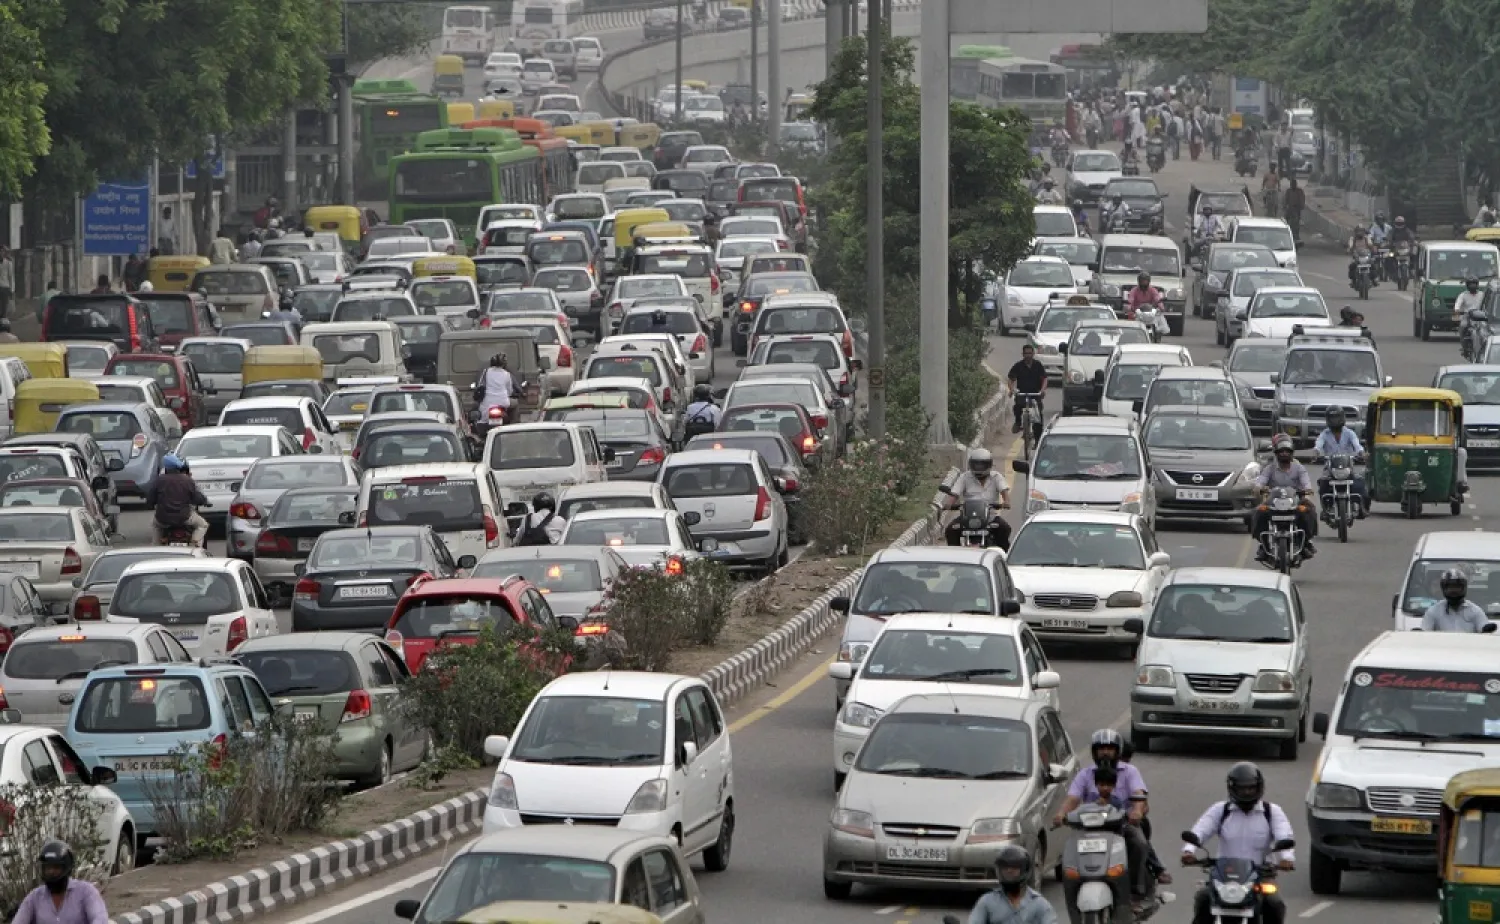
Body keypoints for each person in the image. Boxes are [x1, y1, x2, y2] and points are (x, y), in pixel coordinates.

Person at [1052, 730, 1156, 910]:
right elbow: (1072, 799)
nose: (1106, 753)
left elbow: (1139, 795)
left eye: (1110, 748)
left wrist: (1136, 812)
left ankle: (1135, 891)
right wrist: (1061, 815)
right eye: (1101, 749)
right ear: (1094, 752)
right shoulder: (1085, 774)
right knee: (1068, 853)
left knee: (1139, 843)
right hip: (1089, 828)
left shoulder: (1130, 771)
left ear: (1118, 751)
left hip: (1122, 825)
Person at [1183, 763, 1293, 924]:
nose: (1247, 792)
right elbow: (1200, 830)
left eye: (1251, 788)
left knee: (1274, 903)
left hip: (1261, 877)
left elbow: (1284, 834)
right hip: (1223, 877)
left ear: (1259, 787)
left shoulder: (1272, 812)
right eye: (1242, 788)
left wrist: (1287, 858)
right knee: (1203, 898)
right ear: (1232, 788)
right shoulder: (1221, 810)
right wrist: (1189, 851)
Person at [1249, 434, 1317, 560]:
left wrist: (1307, 491)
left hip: (1295, 501)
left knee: (1310, 510)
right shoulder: (1270, 468)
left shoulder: (1299, 468)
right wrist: (1258, 488)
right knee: (1257, 513)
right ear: (1276, 453)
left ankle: (1306, 542)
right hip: (1273, 502)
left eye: (1287, 451)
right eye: (1281, 451)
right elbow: (1261, 481)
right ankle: (1263, 545)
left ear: (1292, 453)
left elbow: (1306, 483)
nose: (1284, 454)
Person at [9, 841, 108, 924]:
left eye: (56, 867)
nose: (51, 872)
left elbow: (100, 919)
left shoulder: (86, 892)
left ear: (67, 868)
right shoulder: (34, 898)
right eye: (48, 868)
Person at [967, 844, 1058, 924]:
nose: (1009, 871)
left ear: (1024, 870)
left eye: (1014, 867)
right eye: (1005, 867)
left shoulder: (1040, 905)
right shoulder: (987, 902)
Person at [942, 448, 1010, 550]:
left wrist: (1006, 502)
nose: (979, 467)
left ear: (989, 464)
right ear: (971, 464)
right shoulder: (964, 477)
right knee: (950, 530)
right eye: (976, 464)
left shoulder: (996, 477)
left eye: (982, 464)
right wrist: (949, 504)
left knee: (1004, 528)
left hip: (990, 517)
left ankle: (1004, 557)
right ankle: (955, 556)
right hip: (967, 518)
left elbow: (1004, 491)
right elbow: (954, 494)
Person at [1313, 408, 1368, 517]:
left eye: (1337, 417)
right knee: (1323, 484)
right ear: (1328, 419)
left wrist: (1362, 453)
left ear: (1342, 418)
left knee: (1360, 484)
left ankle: (1362, 507)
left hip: (1347, 467)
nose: (1335, 420)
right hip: (1330, 468)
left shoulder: (1349, 433)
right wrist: (1316, 453)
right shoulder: (1324, 434)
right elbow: (1318, 445)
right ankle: (1326, 508)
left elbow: (1357, 445)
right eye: (1332, 418)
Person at [146, 454, 209, 547]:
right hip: (185, 518)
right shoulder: (188, 480)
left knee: (155, 526)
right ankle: (195, 546)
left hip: (162, 519)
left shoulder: (159, 480)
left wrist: (150, 505)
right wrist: (205, 502)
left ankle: (156, 547)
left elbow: (150, 499)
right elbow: (198, 498)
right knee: (203, 525)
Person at [1420, 569, 1490, 632]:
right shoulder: (1433, 611)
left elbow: (1484, 628)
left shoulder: (1475, 611)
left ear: (1464, 588)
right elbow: (1425, 631)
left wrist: (1486, 629)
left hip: (1468, 646)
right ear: (1443, 589)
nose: (1454, 591)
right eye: (1450, 588)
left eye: (1457, 587)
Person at [1007, 344, 1048, 435]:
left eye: (1030, 353)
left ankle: (1037, 441)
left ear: (1033, 353)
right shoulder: (1018, 366)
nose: (1028, 355)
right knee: (1017, 407)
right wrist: (1012, 389)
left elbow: (1044, 379)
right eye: (1026, 353)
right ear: (1023, 354)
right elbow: (1011, 379)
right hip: (1022, 393)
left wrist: (1042, 390)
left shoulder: (1038, 365)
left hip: (1035, 394)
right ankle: (1018, 422)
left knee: (1038, 418)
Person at [1455, 275, 1485, 341]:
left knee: (1484, 329)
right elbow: (1458, 304)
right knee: (1463, 326)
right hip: (1467, 315)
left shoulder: (1482, 294)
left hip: (1480, 316)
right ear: (1467, 285)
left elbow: (1486, 304)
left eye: (1474, 284)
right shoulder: (1463, 295)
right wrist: (1457, 310)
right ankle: (1462, 341)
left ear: (1477, 284)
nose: (1472, 286)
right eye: (1470, 284)